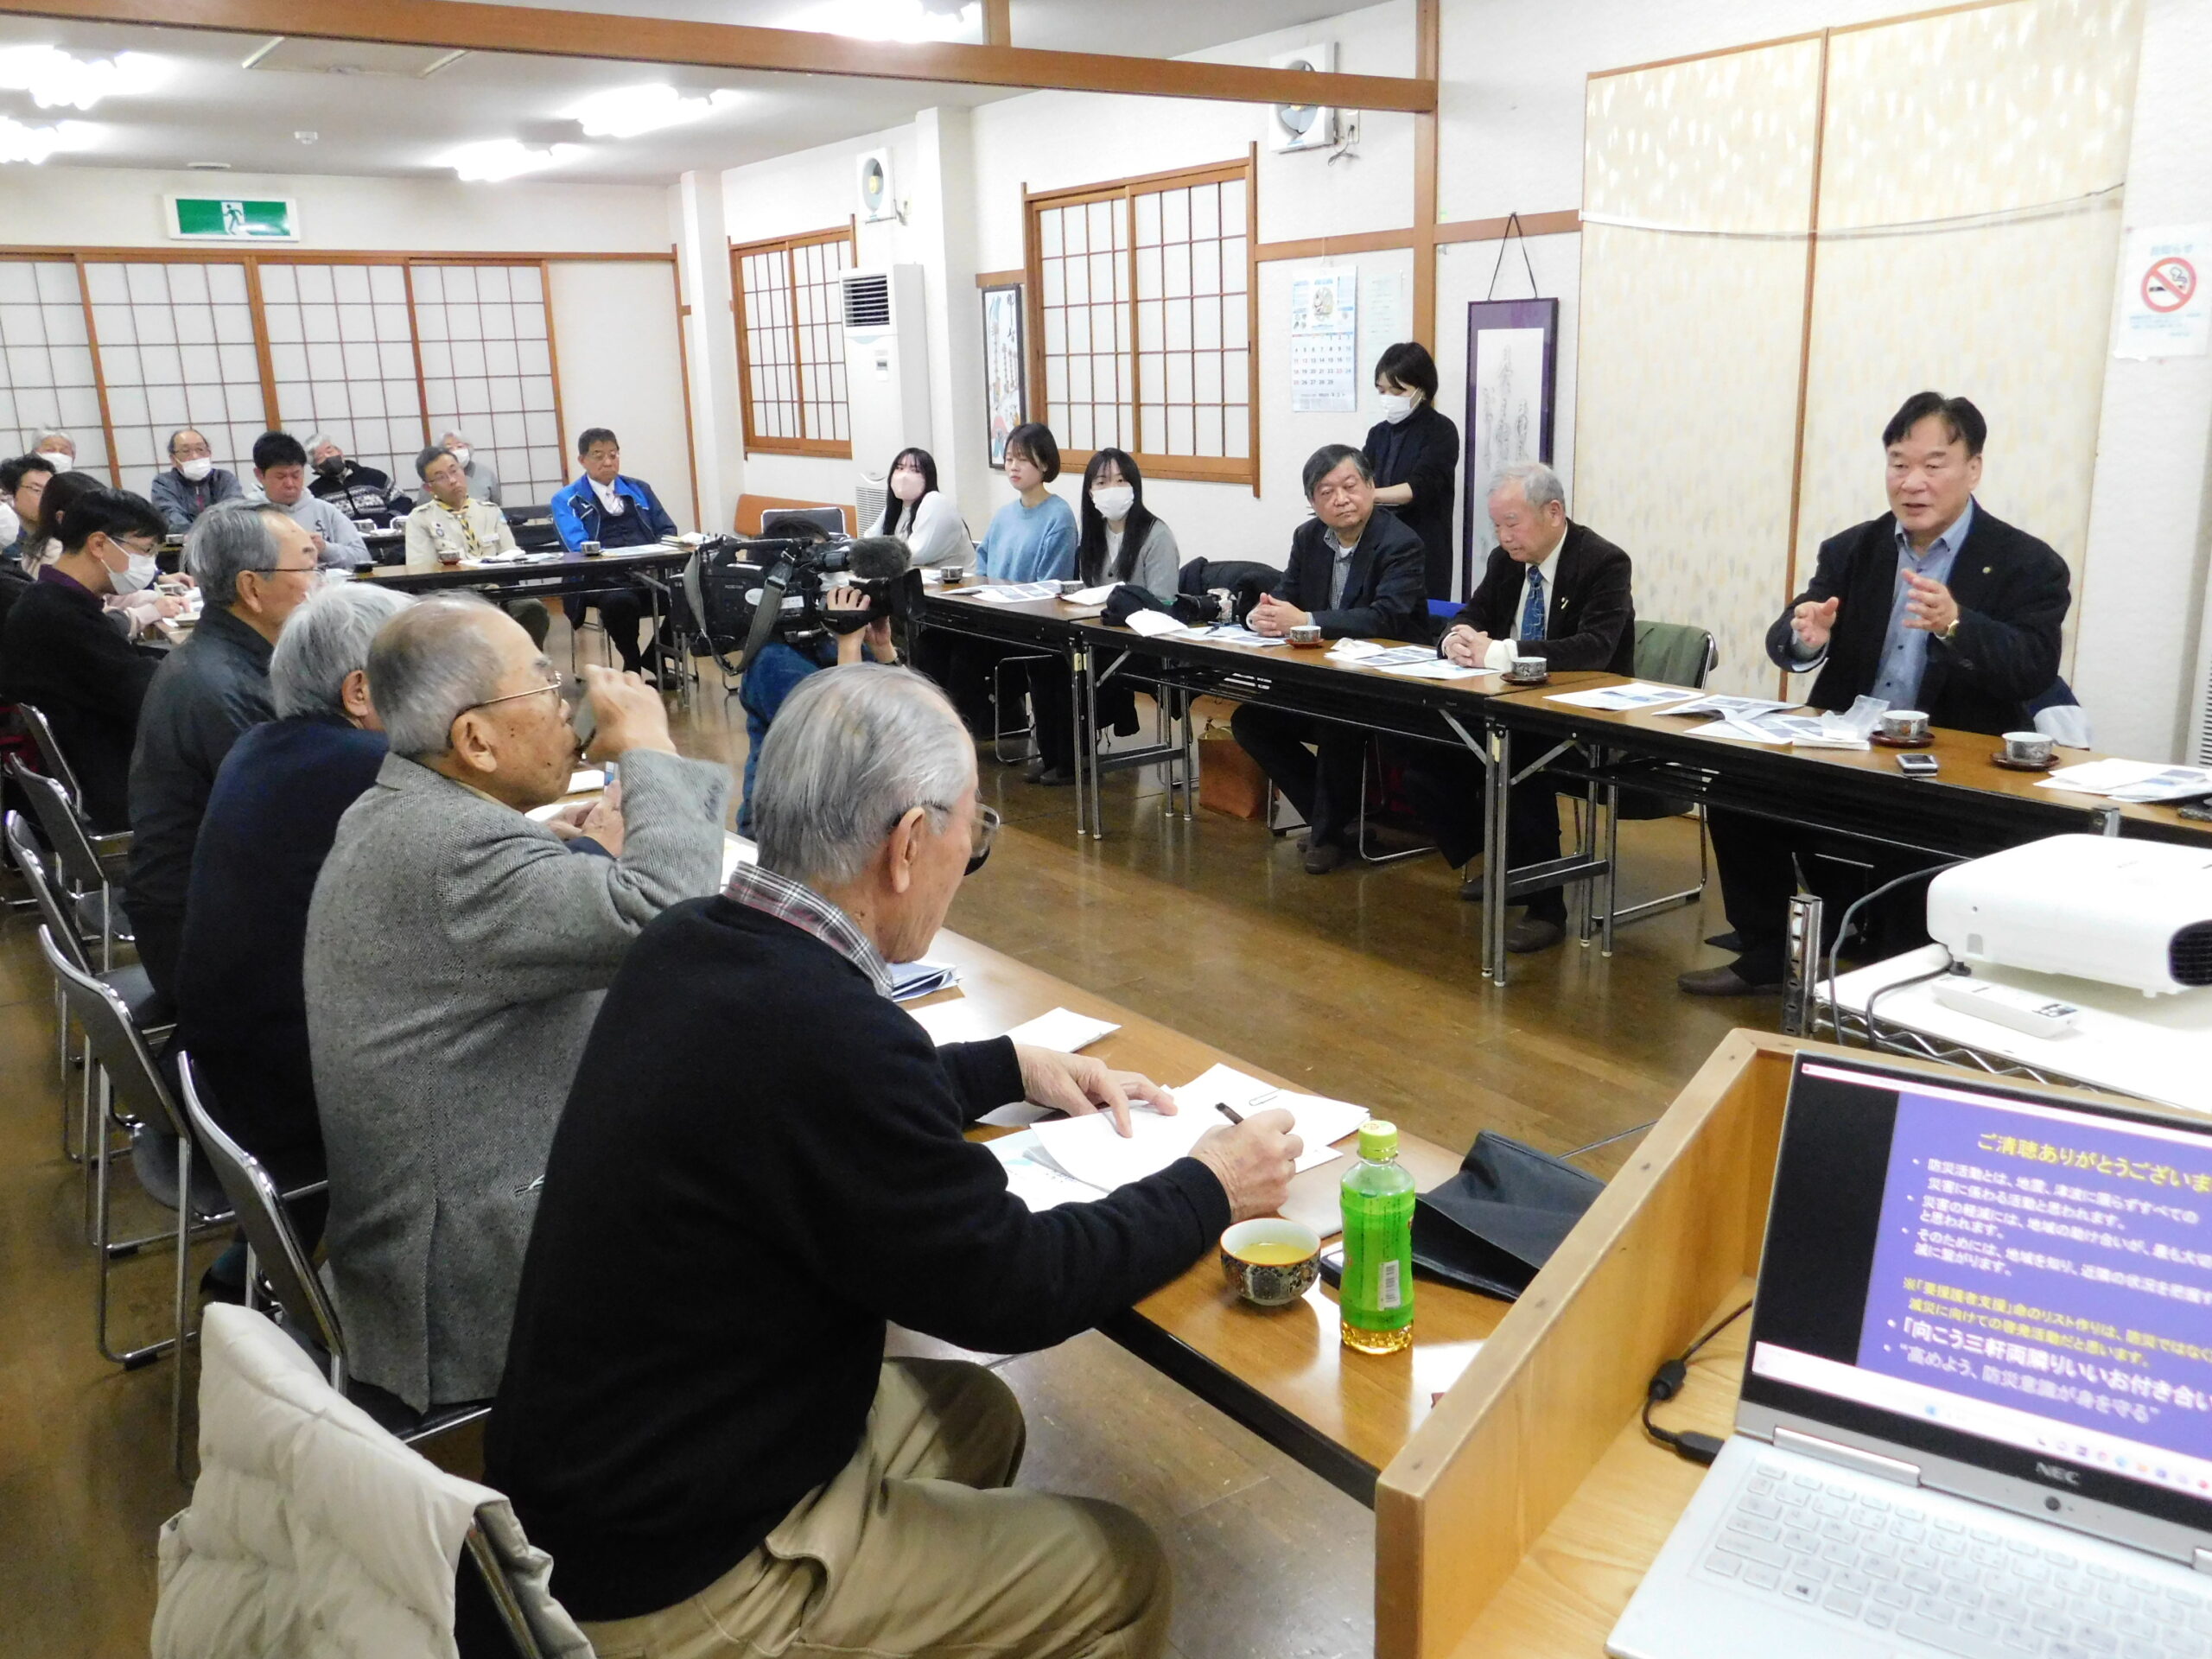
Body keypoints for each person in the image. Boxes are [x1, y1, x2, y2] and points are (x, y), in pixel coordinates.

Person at [486, 664, 1300, 1655]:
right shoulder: (832, 1035)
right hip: (674, 1571)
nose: (969, 856)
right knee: (1121, 1570)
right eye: (973, 831)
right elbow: (1015, 1287)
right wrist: (1213, 1183)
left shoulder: (692, 940)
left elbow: (809, 1107)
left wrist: (1005, 1066)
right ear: (909, 844)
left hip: (590, 1491)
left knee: (978, 1417)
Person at [304, 596, 728, 1413]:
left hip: (428, 1216)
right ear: (474, 739)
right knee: (762, 1222)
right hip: (476, 1276)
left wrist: (557, 845)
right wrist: (651, 746)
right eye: (543, 686)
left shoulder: (397, 807)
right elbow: (669, 917)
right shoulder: (459, 856)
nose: (567, 702)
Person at [1680, 391, 2071, 997]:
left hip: (1947, 766)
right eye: (1898, 463)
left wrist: (1957, 624)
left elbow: (2032, 668)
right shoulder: (1853, 549)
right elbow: (1790, 637)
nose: (1912, 482)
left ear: (1973, 469)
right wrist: (1805, 635)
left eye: (1933, 465)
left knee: (1912, 852)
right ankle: (1767, 950)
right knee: (1737, 789)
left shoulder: (2026, 563)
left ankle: (1896, 969)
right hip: (1850, 747)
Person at [174, 582, 411, 1274]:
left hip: (226, 1079)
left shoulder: (261, 745)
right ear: (361, 691)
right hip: (298, 1095)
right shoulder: (366, 767)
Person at [1394, 461, 1636, 951]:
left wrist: (1501, 653)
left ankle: (1547, 907)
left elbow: (1595, 648)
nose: (1504, 537)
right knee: (1417, 748)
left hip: (1584, 718)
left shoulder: (1604, 562)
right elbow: (1472, 614)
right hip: (1508, 708)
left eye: (1512, 523)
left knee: (1520, 759)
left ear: (1553, 512)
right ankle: (1507, 866)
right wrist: (1455, 639)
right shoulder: (1505, 561)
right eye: (1497, 525)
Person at [124, 501, 320, 1001]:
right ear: (252, 588)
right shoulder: (219, 685)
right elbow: (287, 837)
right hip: (202, 939)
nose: (318, 585)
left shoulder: (226, 657)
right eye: (307, 567)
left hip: (214, 906)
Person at [1232, 444, 1428, 874]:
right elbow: (1285, 595)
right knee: (1250, 720)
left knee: (1336, 717)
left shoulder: (1401, 543)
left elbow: (1386, 618)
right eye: (1327, 492)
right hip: (1323, 677)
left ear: (1371, 487)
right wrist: (1261, 616)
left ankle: (1326, 834)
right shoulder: (1308, 538)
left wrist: (1306, 620)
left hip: (1387, 683)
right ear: (1313, 502)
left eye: (1350, 486)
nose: (1341, 499)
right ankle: (1338, 823)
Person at [0, 487, 167, 830]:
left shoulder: (50, 600)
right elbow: (144, 695)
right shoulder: (60, 615)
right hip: (109, 785)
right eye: (146, 550)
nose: (149, 564)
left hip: (91, 766)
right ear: (99, 544)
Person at [1025, 448, 1180, 786]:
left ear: (1135, 487)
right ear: (1090, 492)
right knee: (1044, 660)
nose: (1112, 489)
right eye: (1102, 482)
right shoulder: (1094, 537)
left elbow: (1165, 602)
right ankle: (1052, 756)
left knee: (1070, 669)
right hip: (1100, 637)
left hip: (1142, 643)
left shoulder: (1156, 534)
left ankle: (1071, 760)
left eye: (1121, 481)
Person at [918, 422, 1077, 738]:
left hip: (1029, 627)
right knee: (929, 643)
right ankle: (929, 731)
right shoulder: (1005, 514)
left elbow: (1051, 584)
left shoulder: (1059, 515)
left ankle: (962, 735)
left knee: (965, 657)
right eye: (1009, 459)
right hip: (991, 617)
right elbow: (983, 565)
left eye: (1023, 459)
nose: (1013, 466)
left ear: (1045, 464)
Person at [734, 537, 899, 832]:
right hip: (786, 825)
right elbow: (842, 741)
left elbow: (905, 716)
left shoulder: (827, 642)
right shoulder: (772, 663)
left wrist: (883, 649)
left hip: (844, 809)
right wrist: (848, 645)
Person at [549, 427, 679, 679]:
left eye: (613, 454)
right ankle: (632, 662)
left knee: (693, 594)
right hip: (600, 579)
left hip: (649, 574)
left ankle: (656, 655)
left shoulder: (639, 489)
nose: (608, 462)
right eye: (598, 455)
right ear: (582, 460)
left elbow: (667, 529)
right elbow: (577, 546)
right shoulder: (566, 499)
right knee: (620, 602)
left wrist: (656, 555)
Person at [405, 444, 550, 647]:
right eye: (441, 477)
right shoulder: (420, 518)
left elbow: (512, 554)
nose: (452, 480)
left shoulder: (490, 511)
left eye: (454, 471)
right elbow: (422, 570)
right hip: (453, 597)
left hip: (499, 590)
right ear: (429, 487)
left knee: (531, 608)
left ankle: (531, 662)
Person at [1362, 341, 1461, 601]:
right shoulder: (1378, 434)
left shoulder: (1441, 430)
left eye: (1397, 391)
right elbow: (1363, 478)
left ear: (1422, 390)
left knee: (1418, 615)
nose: (1387, 398)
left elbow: (1419, 487)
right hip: (1379, 543)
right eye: (1381, 390)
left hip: (1423, 545)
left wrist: (1367, 496)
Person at [251, 431, 369, 567]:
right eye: (280, 476)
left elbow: (363, 557)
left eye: (296, 475)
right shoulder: (249, 515)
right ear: (259, 475)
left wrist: (325, 548)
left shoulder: (324, 510)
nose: (290, 483)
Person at [871, 446, 969, 568]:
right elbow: (870, 540)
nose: (904, 476)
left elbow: (914, 554)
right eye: (900, 468)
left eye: (915, 470)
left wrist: (871, 556)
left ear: (928, 478)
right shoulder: (896, 506)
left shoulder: (936, 502)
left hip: (954, 579)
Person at [149, 428, 243, 535]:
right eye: (186, 451)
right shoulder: (164, 483)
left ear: (209, 454)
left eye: (200, 449)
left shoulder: (224, 478)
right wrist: (195, 536)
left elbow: (234, 510)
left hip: (225, 539)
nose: (195, 456)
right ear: (173, 459)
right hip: (184, 542)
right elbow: (170, 516)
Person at [307, 433, 409, 525]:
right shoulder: (314, 493)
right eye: (320, 457)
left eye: (329, 451)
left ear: (340, 452)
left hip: (386, 536)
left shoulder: (374, 476)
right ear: (316, 467)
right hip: (345, 539)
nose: (327, 457)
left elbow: (402, 500)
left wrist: (390, 521)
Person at [1, 452, 55, 564]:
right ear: (8, 493)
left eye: (52, 490)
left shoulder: (58, 536)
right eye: (37, 490)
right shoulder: (5, 539)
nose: (47, 497)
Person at [438, 430, 501, 505]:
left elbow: (496, 503)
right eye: (450, 448)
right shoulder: (436, 476)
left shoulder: (486, 473)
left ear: (468, 448)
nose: (456, 451)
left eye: (460, 446)